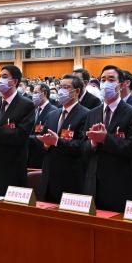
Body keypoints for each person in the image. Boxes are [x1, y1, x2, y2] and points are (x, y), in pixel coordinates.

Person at [81, 65, 132, 212]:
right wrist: (92, 143)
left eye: (111, 79)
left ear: (121, 85)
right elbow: (83, 147)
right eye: (103, 80)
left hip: (119, 184)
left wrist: (105, 139)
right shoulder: (92, 114)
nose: (105, 83)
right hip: (93, 184)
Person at [0, 65, 35, 196]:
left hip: (11, 168)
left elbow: (19, 136)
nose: (0, 80)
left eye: (4, 77)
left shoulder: (26, 105)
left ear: (14, 82)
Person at [37, 73, 90, 203]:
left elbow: (82, 146)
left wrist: (57, 141)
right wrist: (45, 144)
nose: (61, 90)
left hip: (70, 178)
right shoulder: (52, 114)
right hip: (49, 177)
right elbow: (42, 141)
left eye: (66, 87)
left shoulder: (86, 114)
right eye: (60, 87)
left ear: (77, 91)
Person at [27, 82, 57, 169]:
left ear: (44, 94)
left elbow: (47, 135)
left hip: (42, 154)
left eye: (36, 92)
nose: (33, 95)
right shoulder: (34, 109)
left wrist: (25, 137)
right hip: (30, 153)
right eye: (33, 93)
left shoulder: (53, 111)